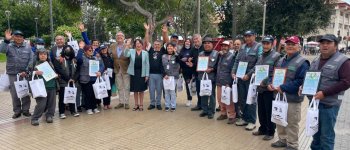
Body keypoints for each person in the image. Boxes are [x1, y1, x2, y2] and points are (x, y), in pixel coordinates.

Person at [308, 34, 350, 150]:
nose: (324, 45)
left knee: (326, 137)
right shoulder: (316, 59)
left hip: (329, 106)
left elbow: (346, 82)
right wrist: (303, 86)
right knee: (315, 134)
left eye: (328, 43)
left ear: (335, 46)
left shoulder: (343, 61)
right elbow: (309, 77)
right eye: (322, 43)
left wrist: (324, 93)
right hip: (314, 105)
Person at [268, 36, 309, 150]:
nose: (290, 46)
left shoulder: (303, 62)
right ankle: (282, 139)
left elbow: (301, 81)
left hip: (292, 98)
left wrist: (283, 87)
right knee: (279, 119)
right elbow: (274, 75)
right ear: (285, 46)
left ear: (298, 46)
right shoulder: (281, 60)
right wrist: (271, 83)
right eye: (288, 44)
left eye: (293, 44)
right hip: (279, 96)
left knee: (292, 122)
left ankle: (292, 145)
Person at [248, 36, 280, 140]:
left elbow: (277, 73)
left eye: (267, 44)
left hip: (269, 89)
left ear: (272, 44)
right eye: (264, 43)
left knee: (269, 111)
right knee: (261, 110)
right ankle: (262, 129)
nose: (265, 45)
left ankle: (270, 132)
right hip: (260, 88)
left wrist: (267, 82)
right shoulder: (261, 56)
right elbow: (256, 69)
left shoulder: (276, 56)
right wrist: (249, 75)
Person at [231, 30, 262, 130]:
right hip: (240, 77)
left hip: (251, 78)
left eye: (250, 36)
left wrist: (249, 75)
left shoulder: (259, 47)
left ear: (254, 36)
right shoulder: (243, 47)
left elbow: (259, 63)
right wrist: (233, 72)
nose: (247, 38)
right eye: (246, 36)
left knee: (251, 99)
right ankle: (244, 118)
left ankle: (252, 121)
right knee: (242, 98)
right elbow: (237, 61)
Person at [0, 29, 33, 119]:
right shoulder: (8, 46)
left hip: (24, 74)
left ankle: (26, 110)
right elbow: (2, 51)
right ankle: (17, 111)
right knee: (14, 93)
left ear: (23, 38)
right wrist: (6, 40)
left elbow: (31, 59)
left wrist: (26, 71)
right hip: (12, 74)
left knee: (25, 92)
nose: (19, 38)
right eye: (16, 36)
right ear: (13, 37)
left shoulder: (28, 47)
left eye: (20, 37)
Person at [30, 48, 58, 126]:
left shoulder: (50, 63)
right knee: (41, 104)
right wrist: (35, 72)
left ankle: (49, 116)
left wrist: (56, 75)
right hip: (41, 88)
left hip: (51, 86)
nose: (43, 56)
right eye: (41, 54)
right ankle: (35, 118)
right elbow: (27, 73)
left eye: (45, 54)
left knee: (51, 103)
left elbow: (54, 73)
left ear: (47, 56)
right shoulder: (34, 63)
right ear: (38, 55)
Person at [75, 45, 104, 115]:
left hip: (94, 79)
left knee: (94, 94)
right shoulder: (82, 58)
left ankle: (94, 107)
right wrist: (81, 49)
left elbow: (102, 65)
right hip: (85, 79)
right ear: (85, 51)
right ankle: (88, 108)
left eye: (92, 50)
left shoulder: (95, 58)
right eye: (89, 50)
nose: (91, 52)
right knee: (87, 94)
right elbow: (78, 60)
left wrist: (100, 71)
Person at [54, 45, 80, 119]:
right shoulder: (59, 59)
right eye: (66, 49)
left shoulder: (74, 60)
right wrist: (68, 78)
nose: (68, 51)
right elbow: (59, 69)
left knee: (72, 96)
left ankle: (73, 111)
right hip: (63, 81)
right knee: (62, 97)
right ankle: (61, 112)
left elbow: (78, 70)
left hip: (73, 81)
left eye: (70, 49)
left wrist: (74, 79)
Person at [144, 24, 165, 110]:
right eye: (155, 44)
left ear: (160, 45)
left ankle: (158, 103)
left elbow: (166, 41)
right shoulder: (150, 50)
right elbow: (147, 40)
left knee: (159, 90)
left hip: (160, 74)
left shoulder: (163, 51)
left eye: (158, 44)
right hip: (151, 74)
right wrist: (147, 30)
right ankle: (152, 103)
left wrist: (164, 32)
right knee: (151, 90)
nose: (156, 45)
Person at [124, 39, 150, 111]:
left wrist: (147, 75)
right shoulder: (131, 51)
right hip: (133, 73)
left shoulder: (145, 53)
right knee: (135, 90)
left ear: (142, 44)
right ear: (135, 45)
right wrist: (127, 45)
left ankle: (141, 104)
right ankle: (136, 104)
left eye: (139, 43)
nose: (138, 45)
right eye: (137, 43)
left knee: (141, 90)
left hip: (142, 73)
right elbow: (125, 54)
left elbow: (147, 64)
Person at [197, 36, 219, 119]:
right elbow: (197, 65)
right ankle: (205, 110)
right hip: (202, 77)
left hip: (211, 77)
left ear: (212, 44)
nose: (207, 45)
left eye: (208, 43)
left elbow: (218, 66)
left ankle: (211, 111)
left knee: (211, 94)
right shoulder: (201, 54)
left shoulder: (216, 54)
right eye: (205, 43)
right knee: (203, 94)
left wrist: (212, 69)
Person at [215, 41, 236, 124]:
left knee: (229, 100)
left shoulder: (232, 57)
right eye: (222, 46)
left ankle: (232, 116)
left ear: (229, 47)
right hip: (219, 81)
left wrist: (229, 82)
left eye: (226, 46)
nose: (224, 47)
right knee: (220, 99)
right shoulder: (220, 56)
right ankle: (223, 113)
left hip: (227, 82)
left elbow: (232, 70)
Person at [110, 31, 131, 109]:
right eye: (118, 36)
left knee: (127, 86)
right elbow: (110, 55)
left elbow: (130, 56)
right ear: (116, 38)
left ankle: (127, 102)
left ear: (123, 37)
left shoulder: (127, 45)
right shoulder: (112, 46)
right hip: (116, 69)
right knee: (119, 87)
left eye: (121, 36)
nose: (119, 37)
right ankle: (121, 102)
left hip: (126, 69)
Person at [162, 43, 180, 112]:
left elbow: (179, 61)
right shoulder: (163, 56)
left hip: (174, 76)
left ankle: (173, 106)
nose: (169, 48)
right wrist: (164, 74)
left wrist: (175, 52)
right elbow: (161, 66)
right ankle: (167, 105)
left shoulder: (176, 55)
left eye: (171, 46)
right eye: (168, 47)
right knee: (166, 91)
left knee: (172, 91)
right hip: (166, 76)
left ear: (173, 48)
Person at [178, 38, 195, 107]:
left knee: (194, 85)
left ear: (190, 43)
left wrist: (190, 60)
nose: (187, 43)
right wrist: (181, 60)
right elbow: (178, 59)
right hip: (185, 71)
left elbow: (195, 59)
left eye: (188, 42)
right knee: (188, 85)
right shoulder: (182, 50)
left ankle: (199, 100)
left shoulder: (193, 50)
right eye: (186, 42)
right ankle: (189, 99)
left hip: (192, 70)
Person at [190, 34, 204, 111]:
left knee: (205, 90)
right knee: (198, 89)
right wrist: (189, 61)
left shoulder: (204, 47)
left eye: (197, 39)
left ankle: (205, 105)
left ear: (200, 39)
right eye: (194, 39)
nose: (196, 40)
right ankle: (199, 104)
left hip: (205, 73)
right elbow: (192, 59)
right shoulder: (193, 49)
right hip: (196, 73)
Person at [99, 44, 115, 110]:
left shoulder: (110, 56)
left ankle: (108, 104)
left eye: (105, 48)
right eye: (102, 49)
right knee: (104, 90)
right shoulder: (99, 57)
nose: (104, 50)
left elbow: (112, 65)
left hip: (110, 75)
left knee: (109, 90)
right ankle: (105, 104)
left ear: (107, 48)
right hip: (103, 76)